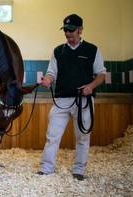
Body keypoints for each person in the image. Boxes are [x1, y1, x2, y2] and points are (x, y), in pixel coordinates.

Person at [37, 14, 106, 180]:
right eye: (65, 30)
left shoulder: (92, 50)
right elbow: (52, 73)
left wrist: (90, 86)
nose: (68, 34)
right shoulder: (58, 51)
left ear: (80, 30)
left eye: (71, 30)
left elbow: (101, 74)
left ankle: (79, 170)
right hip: (61, 100)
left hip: (83, 101)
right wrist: (47, 80)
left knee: (83, 137)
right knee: (52, 135)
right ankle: (46, 168)